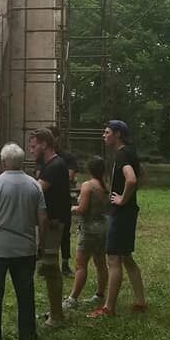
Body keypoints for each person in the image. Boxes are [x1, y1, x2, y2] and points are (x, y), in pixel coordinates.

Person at [0, 143, 47, 340]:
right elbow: (43, 218)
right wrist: (41, 244)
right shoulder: (34, 184)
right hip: (25, 248)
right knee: (26, 294)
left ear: (3, 161)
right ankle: (27, 336)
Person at [88, 120, 146, 318]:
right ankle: (140, 301)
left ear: (118, 134)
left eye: (107, 132)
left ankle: (108, 308)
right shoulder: (130, 152)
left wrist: (122, 199)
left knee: (113, 258)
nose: (104, 135)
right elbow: (141, 174)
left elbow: (132, 179)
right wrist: (130, 196)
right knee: (126, 256)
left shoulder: (122, 155)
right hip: (128, 212)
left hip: (121, 213)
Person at [29, 128, 71, 328]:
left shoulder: (55, 165)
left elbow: (35, 191)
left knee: (51, 268)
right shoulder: (51, 164)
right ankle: (55, 311)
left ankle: (56, 316)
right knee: (48, 267)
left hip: (54, 223)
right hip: (51, 222)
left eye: (34, 146)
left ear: (44, 144)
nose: (31, 150)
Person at [62, 156, 109, 310]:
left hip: (89, 229)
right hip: (103, 227)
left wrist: (71, 208)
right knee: (100, 262)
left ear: (89, 170)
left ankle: (73, 298)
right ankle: (100, 294)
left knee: (80, 265)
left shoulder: (87, 186)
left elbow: (82, 209)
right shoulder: (104, 186)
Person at [47, 125, 78, 277]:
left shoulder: (68, 157)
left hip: (63, 200)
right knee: (46, 231)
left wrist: (52, 179)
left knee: (65, 233)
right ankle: (46, 264)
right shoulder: (43, 157)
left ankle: (65, 264)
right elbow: (39, 176)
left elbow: (70, 177)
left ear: (57, 138)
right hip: (47, 201)